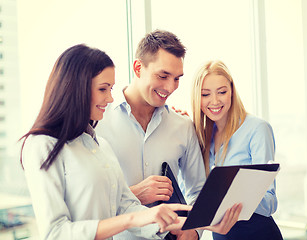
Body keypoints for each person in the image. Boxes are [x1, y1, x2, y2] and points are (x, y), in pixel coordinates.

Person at [19, 44, 194, 240]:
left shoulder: (100, 145)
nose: (110, 98)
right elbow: (56, 232)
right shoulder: (42, 145)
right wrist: (129, 221)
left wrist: (188, 225)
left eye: (111, 89)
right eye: (103, 89)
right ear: (76, 88)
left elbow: (125, 207)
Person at [96, 30, 242, 240]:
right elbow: (87, 202)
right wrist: (135, 193)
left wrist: (195, 230)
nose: (170, 87)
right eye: (163, 76)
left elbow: (198, 190)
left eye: (176, 78)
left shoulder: (182, 126)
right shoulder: (98, 123)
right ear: (138, 68)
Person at [191, 60, 283, 240]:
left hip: (259, 234)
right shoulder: (201, 137)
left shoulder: (257, 129)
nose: (215, 101)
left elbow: (270, 202)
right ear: (197, 98)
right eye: (205, 94)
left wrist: (235, 194)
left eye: (222, 92)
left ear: (232, 91)